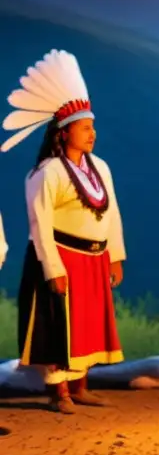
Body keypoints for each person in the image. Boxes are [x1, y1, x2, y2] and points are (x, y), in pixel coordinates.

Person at [2, 49, 126, 414]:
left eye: (93, 126)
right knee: (59, 325)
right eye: (86, 127)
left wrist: (115, 256)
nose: (93, 133)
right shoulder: (47, 172)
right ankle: (60, 393)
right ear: (65, 131)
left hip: (94, 257)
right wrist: (53, 269)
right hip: (62, 257)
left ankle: (82, 385)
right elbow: (39, 223)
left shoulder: (100, 167)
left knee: (87, 324)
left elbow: (112, 213)